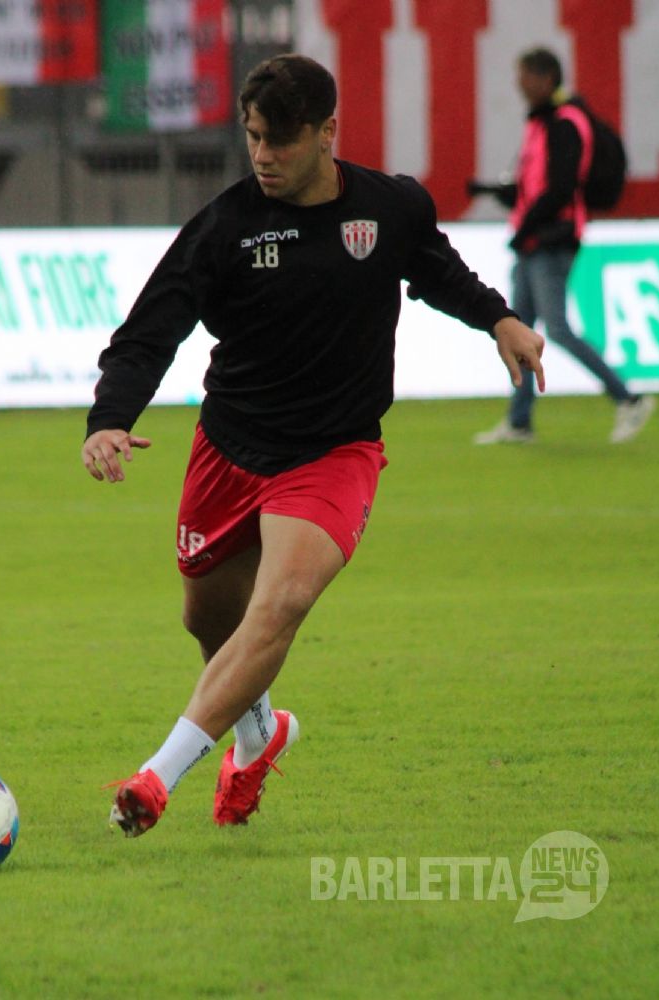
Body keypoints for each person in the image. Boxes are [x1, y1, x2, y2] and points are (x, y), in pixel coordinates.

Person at [82, 54, 545, 839]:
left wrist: (499, 318)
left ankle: (155, 778)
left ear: (327, 132)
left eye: (280, 140)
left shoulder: (389, 208)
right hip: (230, 447)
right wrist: (108, 417)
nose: (262, 155)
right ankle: (259, 733)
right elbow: (151, 328)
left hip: (334, 454)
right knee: (208, 619)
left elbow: (438, 270)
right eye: (253, 137)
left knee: (281, 606)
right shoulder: (226, 226)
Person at [469, 46, 655, 445]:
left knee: (557, 329)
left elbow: (560, 189)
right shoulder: (545, 122)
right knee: (519, 328)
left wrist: (526, 227)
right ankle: (519, 422)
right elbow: (534, 186)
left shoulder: (565, 123)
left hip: (552, 240)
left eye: (525, 76)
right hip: (535, 239)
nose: (519, 85)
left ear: (545, 78)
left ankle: (629, 398)